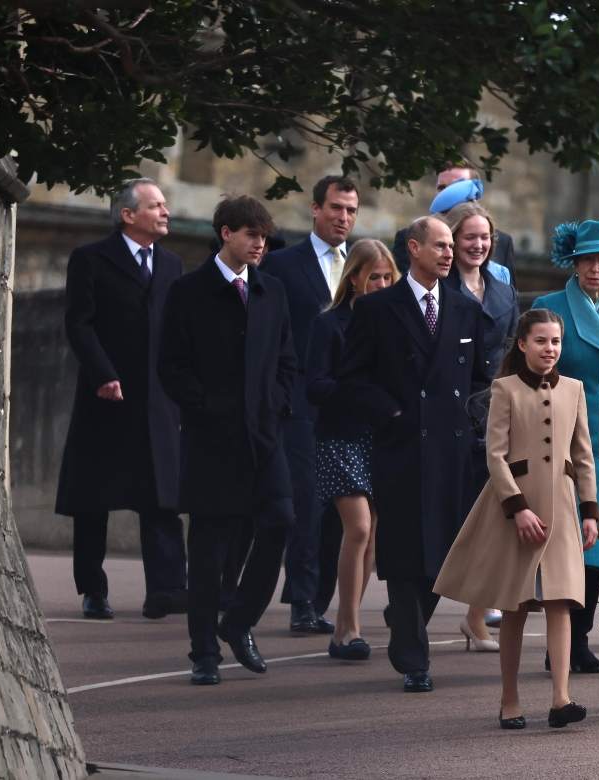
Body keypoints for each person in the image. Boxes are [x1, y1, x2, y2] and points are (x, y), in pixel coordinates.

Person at [335, 215, 489, 693]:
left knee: (442, 557)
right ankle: (413, 658)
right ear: (415, 249)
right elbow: (352, 378)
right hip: (399, 450)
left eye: (451, 246)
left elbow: (482, 380)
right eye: (440, 245)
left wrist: (472, 423)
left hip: (450, 452)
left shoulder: (465, 309)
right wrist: (391, 415)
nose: (449, 253)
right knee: (403, 552)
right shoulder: (377, 309)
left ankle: (407, 622)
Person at [435, 309, 599, 730]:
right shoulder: (504, 389)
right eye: (541, 341)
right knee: (517, 606)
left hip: (562, 509)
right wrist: (518, 507)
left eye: (556, 342)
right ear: (523, 344)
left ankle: (561, 698)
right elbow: (495, 456)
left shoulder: (575, 389)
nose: (550, 349)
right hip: (517, 511)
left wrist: (589, 511)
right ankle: (510, 699)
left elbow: (582, 456)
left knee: (561, 601)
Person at [158, 196, 296, 686]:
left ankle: (238, 623)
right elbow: (170, 366)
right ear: (225, 234)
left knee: (280, 522)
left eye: (263, 235)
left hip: (264, 437)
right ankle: (203, 653)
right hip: (212, 440)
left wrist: (277, 403)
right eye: (250, 234)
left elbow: (286, 359)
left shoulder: (271, 291)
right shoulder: (188, 292)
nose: (260, 243)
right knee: (211, 547)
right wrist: (207, 407)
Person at [56, 177, 187, 620]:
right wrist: (102, 373)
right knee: (94, 498)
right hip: (107, 396)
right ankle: (93, 588)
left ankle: (167, 590)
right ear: (129, 215)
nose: (166, 212)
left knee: (162, 497)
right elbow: (80, 322)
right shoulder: (91, 259)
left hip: (158, 400)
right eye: (156, 206)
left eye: (165, 205)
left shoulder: (171, 265)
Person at [262, 175, 360, 636]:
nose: (343, 217)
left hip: (345, 406)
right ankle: (301, 598)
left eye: (351, 211)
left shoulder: (362, 267)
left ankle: (321, 600)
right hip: (298, 403)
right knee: (304, 503)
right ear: (315, 209)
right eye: (336, 208)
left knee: (342, 512)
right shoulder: (283, 265)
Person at [531, 218, 599, 673]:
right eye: (588, 260)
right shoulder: (549, 307)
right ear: (574, 262)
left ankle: (578, 636)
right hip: (562, 434)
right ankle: (561, 641)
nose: (595, 269)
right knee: (567, 543)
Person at [307, 240, 400, 660]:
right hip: (341, 435)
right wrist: (359, 394)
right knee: (358, 527)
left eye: (387, 277)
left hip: (378, 436)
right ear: (354, 278)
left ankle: (348, 624)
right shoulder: (330, 325)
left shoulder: (395, 324)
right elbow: (316, 385)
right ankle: (348, 626)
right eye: (373, 276)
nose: (380, 284)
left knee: (374, 534)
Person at [441, 200, 519, 652]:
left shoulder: (503, 292)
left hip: (493, 412)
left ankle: (475, 616)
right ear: (453, 240)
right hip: (449, 411)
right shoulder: (441, 287)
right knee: (450, 515)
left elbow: (512, 349)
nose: (478, 245)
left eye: (484, 237)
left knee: (492, 516)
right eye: (469, 237)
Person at [392, 162, 516, 281]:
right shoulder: (410, 237)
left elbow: (509, 298)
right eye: (441, 188)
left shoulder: (502, 243)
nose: (446, 194)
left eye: (457, 187)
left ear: (474, 194)